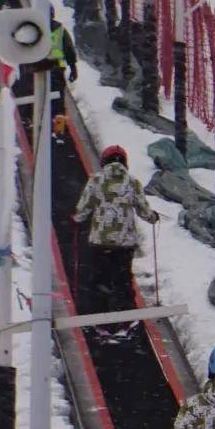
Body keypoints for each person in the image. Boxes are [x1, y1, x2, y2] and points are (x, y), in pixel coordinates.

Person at [75, 140, 157, 326]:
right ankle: (125, 317)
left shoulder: (96, 180)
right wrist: (153, 217)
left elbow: (83, 209)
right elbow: (144, 210)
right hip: (125, 243)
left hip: (100, 242)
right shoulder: (132, 182)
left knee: (100, 277)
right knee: (123, 279)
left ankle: (99, 317)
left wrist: (77, 219)